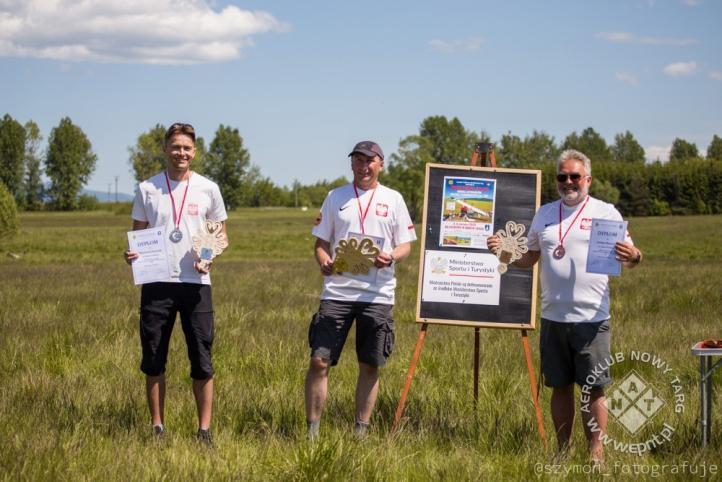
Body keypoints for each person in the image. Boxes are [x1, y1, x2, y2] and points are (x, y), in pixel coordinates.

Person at [487, 149, 642, 462]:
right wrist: (504, 252)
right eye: (562, 177)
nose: (568, 182)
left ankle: (595, 455)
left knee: (593, 389)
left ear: (587, 179)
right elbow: (530, 257)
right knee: (559, 387)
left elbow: (631, 253)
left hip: (592, 317)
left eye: (574, 176)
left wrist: (635, 256)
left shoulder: (606, 212)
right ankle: (562, 451)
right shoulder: (545, 214)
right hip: (553, 316)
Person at [304, 141, 417, 438]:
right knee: (319, 360)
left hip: (377, 295)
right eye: (358, 160)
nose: (363, 166)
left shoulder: (393, 199)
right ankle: (312, 432)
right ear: (351, 163)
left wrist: (391, 255)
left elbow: (406, 245)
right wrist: (324, 260)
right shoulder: (335, 197)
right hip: (337, 293)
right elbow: (320, 242)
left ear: (381, 164)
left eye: (370, 160)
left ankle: (360, 432)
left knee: (370, 364)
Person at [124, 123, 228, 444]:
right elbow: (139, 233)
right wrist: (132, 253)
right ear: (165, 149)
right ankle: (157, 427)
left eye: (186, 148)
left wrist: (208, 255)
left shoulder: (208, 188)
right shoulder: (147, 188)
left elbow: (220, 233)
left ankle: (204, 430)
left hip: (196, 283)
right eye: (175, 147)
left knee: (202, 357)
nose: (180, 153)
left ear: (194, 152)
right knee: (154, 356)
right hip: (156, 283)